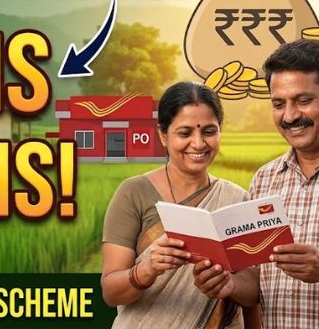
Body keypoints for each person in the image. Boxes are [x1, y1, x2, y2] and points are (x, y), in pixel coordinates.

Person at [193, 40, 319, 328]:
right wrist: (229, 284)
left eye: (303, 101)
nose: (290, 116)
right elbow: (257, 283)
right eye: (279, 104)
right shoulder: (265, 179)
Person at [101, 81, 250, 328]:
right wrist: (148, 269)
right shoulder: (133, 193)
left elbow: (253, 291)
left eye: (209, 131)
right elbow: (110, 292)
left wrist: (229, 285)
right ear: (163, 134)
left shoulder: (237, 199)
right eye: (185, 133)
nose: (199, 143)